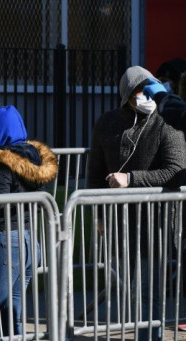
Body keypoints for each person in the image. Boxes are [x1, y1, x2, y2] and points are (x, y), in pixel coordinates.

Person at [88, 65, 186, 341]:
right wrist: (97, 214)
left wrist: (131, 179)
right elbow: (94, 173)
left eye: (150, 91)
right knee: (130, 294)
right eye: (139, 93)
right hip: (119, 223)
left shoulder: (168, 122)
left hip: (156, 222)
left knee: (149, 292)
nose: (146, 99)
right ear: (127, 95)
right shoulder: (107, 123)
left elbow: (175, 170)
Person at [0, 105, 58, 339]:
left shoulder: (3, 161)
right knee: (14, 304)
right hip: (30, 238)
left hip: (6, 238)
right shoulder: (35, 158)